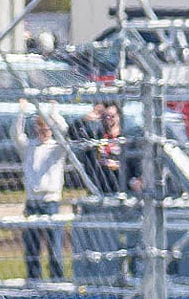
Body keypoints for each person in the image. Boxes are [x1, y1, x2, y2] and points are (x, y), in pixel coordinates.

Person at [12, 106, 67, 280]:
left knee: (55, 246)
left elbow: (65, 130)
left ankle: (56, 279)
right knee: (32, 246)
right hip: (32, 201)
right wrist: (21, 112)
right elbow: (15, 134)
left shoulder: (57, 148)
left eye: (47, 128)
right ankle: (34, 279)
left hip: (51, 201)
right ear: (36, 128)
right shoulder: (29, 147)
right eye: (41, 127)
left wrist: (54, 113)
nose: (44, 132)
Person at [68, 101, 137, 197]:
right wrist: (85, 119)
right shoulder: (95, 137)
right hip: (99, 191)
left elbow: (136, 166)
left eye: (112, 116)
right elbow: (72, 133)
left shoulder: (127, 140)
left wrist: (118, 165)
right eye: (105, 116)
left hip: (124, 191)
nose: (108, 119)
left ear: (119, 117)